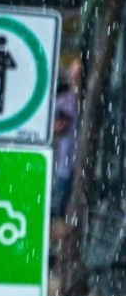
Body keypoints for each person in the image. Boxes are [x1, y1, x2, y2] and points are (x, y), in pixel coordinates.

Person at [52, 59, 81, 218]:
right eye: (74, 74)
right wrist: (61, 125)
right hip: (65, 163)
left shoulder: (91, 103)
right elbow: (54, 128)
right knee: (59, 205)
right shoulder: (62, 101)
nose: (76, 78)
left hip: (83, 165)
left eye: (79, 75)